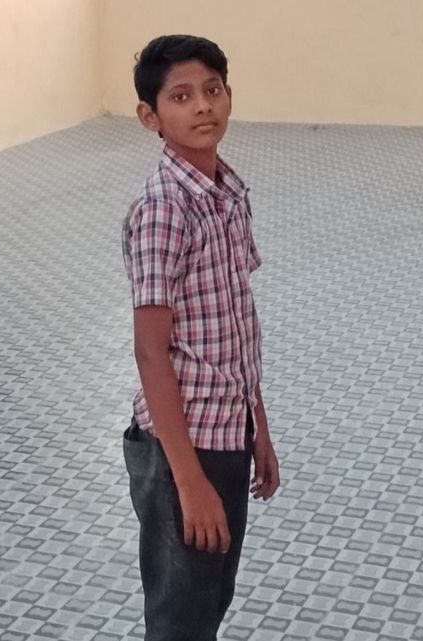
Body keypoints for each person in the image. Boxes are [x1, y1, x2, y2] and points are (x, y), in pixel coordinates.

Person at [121, 34, 280, 641]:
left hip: (227, 432)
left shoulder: (227, 196)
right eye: (181, 96)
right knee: (180, 620)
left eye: (213, 90)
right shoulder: (164, 209)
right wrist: (189, 484)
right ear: (151, 116)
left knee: (208, 602)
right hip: (180, 451)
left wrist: (258, 425)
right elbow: (150, 350)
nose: (203, 106)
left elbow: (238, 323)